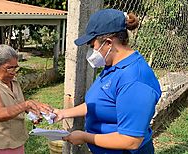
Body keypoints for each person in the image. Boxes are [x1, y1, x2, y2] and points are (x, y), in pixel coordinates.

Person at [54, 9, 162, 154]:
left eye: (93, 46)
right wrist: (63, 113)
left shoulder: (134, 80)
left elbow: (131, 140)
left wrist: (85, 137)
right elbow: (101, 102)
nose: (91, 52)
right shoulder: (113, 66)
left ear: (109, 43)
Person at [0, 44, 53, 154]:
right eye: (9, 68)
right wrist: (26, 105)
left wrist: (32, 113)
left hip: (16, 141)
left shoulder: (14, 82)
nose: (13, 72)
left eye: (15, 67)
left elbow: (18, 104)